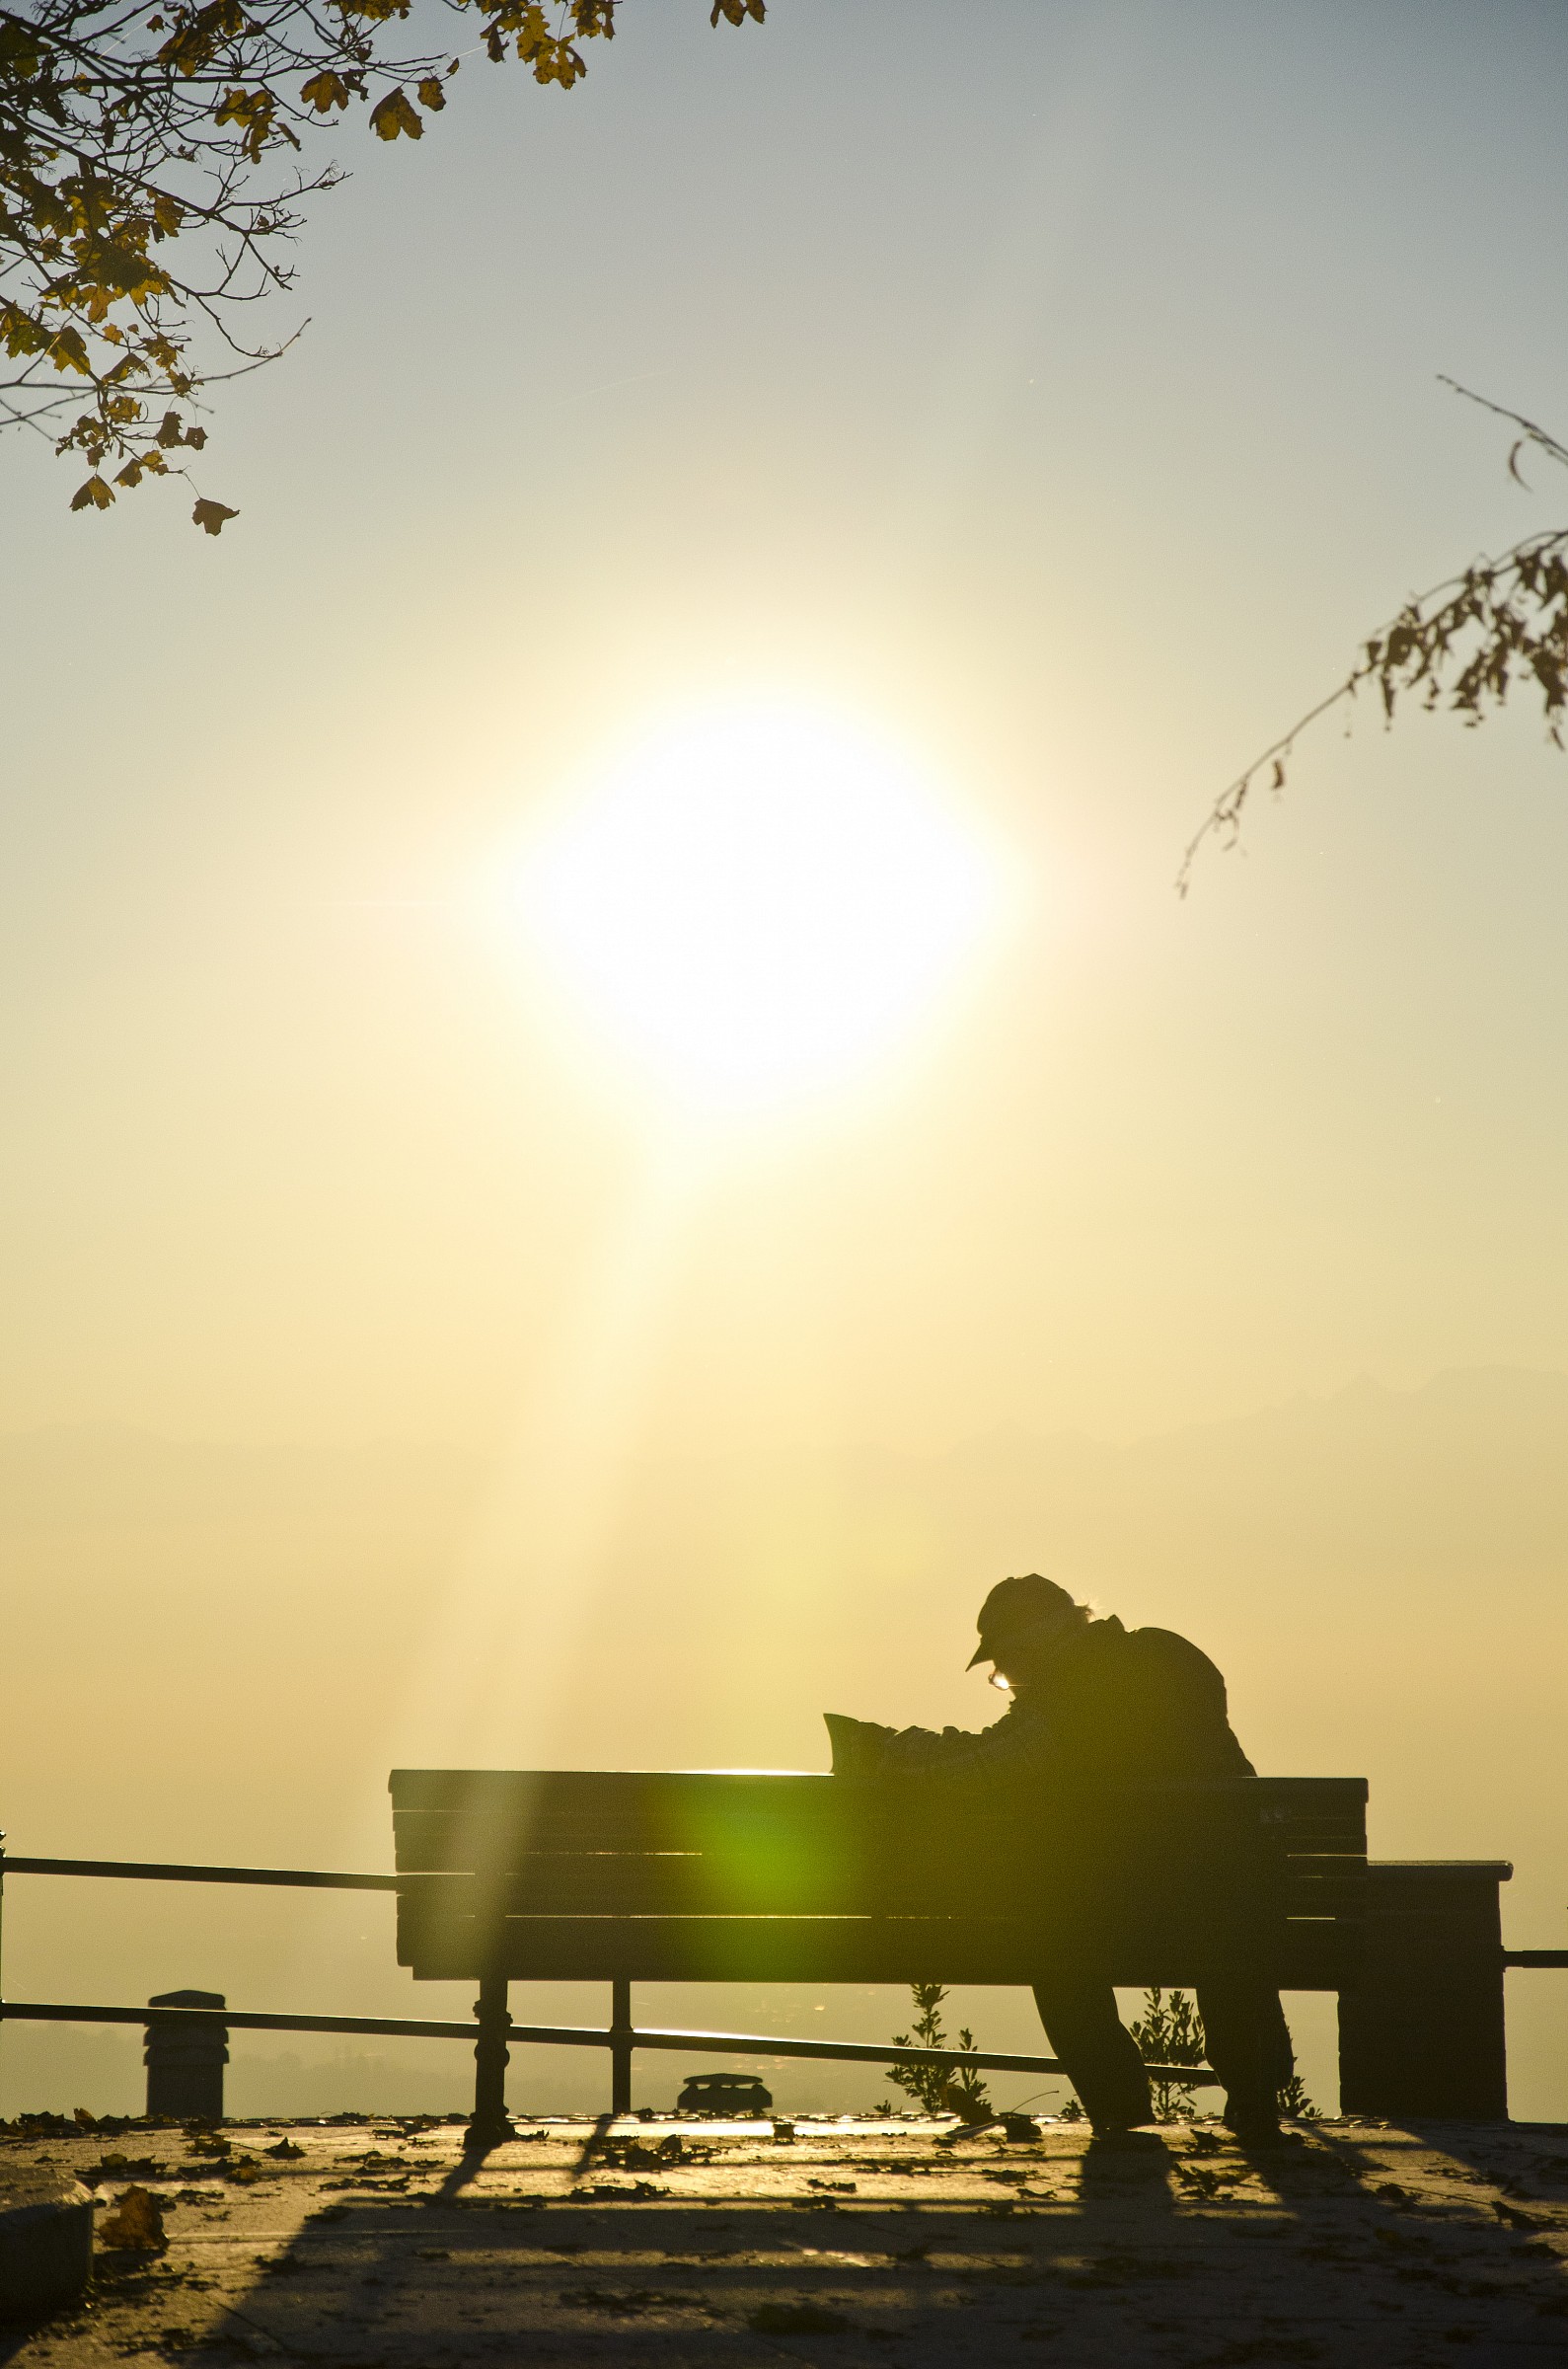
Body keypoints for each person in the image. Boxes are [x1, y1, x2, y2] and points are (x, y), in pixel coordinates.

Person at [823, 1572, 1295, 2145]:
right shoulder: (1174, 1656)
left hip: (1122, 1906)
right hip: (1229, 1894)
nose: (1012, 1683)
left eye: (1010, 1667)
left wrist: (886, 1750)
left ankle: (1118, 2107)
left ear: (1040, 1639)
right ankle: (1254, 2097)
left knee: (1054, 1937)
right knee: (1224, 1920)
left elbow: (983, 1761)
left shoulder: (1067, 1699)